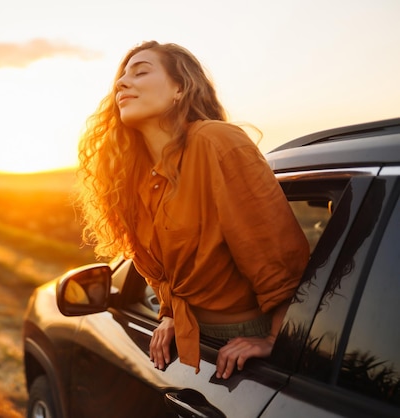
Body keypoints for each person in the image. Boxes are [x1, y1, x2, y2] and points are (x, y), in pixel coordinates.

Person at [75, 41, 309, 379]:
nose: (121, 83)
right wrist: (171, 314)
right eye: (121, 77)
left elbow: (273, 251)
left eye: (140, 72)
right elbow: (170, 271)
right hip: (195, 343)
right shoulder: (135, 179)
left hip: (244, 341)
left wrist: (277, 338)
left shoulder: (216, 142)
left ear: (180, 88)